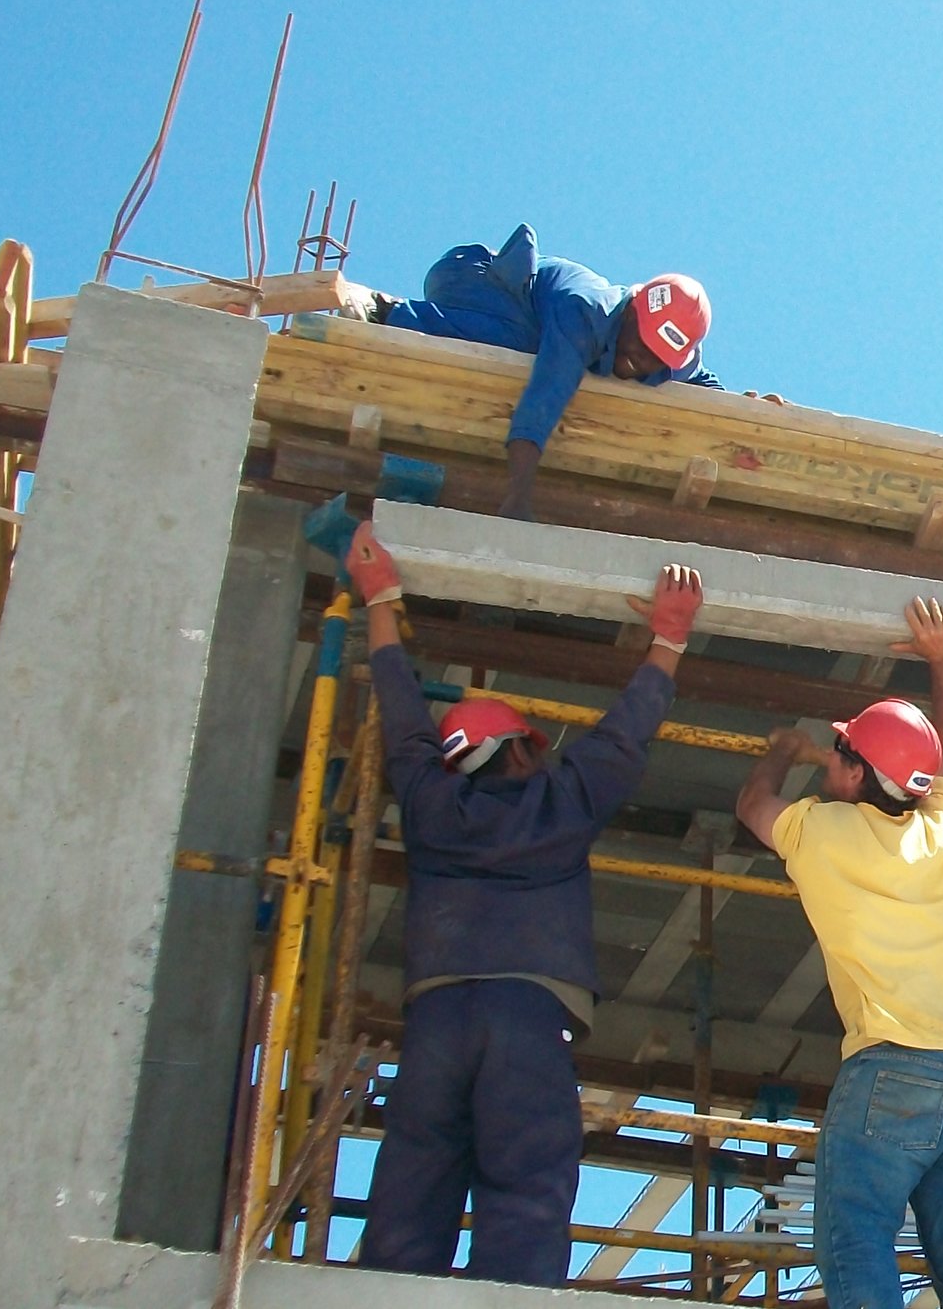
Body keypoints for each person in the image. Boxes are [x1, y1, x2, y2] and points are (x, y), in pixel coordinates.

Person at [340, 522, 701, 1285]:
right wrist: (667, 640)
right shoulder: (562, 800)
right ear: (527, 747)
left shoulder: (429, 798)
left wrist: (382, 598)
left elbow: (402, 711)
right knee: (526, 1195)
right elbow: (623, 738)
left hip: (437, 1017)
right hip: (529, 1018)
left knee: (412, 1189)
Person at [734, 598, 943, 1309]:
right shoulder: (942, 834)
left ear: (858, 777)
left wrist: (780, 751)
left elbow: (752, 810)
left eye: (838, 751)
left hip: (894, 1063)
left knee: (855, 1233)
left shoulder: (823, 833)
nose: (831, 756)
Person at [367, 223, 721, 520]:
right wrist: (519, 497)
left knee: (537, 341)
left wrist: (757, 406)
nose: (640, 362)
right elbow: (544, 400)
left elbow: (702, 381)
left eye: (656, 357)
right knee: (530, 346)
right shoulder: (584, 312)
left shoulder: (676, 357)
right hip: (469, 276)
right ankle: (387, 311)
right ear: (631, 312)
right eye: (639, 344)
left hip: (519, 310)